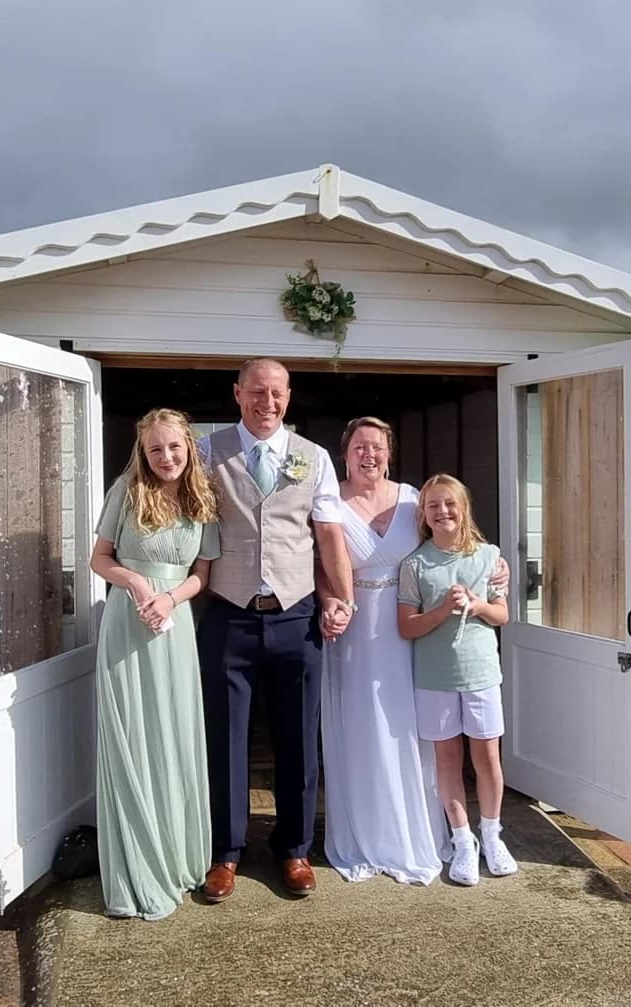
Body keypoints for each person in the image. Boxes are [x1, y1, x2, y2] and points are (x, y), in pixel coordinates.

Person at [197, 358, 355, 903]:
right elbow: (178, 521)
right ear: (238, 393)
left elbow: (329, 535)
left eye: (278, 393)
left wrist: (343, 598)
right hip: (228, 612)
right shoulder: (205, 450)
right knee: (227, 737)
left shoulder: (313, 457)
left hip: (296, 613)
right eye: (258, 391)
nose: (268, 402)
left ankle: (293, 848)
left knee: (298, 739)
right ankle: (226, 852)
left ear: (289, 397)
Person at [90, 407, 220, 920]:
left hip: (173, 627)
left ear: (188, 448)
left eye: (174, 447)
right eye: (155, 449)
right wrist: (139, 584)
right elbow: (99, 559)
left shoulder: (201, 498)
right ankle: (137, 866)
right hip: (127, 624)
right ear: (143, 453)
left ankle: (179, 856)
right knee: (134, 738)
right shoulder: (126, 492)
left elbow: (201, 574)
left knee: (172, 734)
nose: (166, 457)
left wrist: (171, 599)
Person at [318, 417, 448, 884]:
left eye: (377, 447)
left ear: (389, 453)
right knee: (360, 726)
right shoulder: (328, 497)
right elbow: (315, 562)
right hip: (353, 630)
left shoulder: (414, 499)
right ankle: (365, 833)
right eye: (359, 446)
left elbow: (451, 543)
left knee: (408, 725)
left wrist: (495, 566)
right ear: (345, 452)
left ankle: (414, 832)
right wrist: (330, 601)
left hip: (407, 624)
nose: (368, 454)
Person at [397, 473, 519, 886]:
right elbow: (407, 628)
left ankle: (492, 834)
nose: (442, 511)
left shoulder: (489, 556)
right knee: (447, 759)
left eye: (450, 504)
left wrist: (480, 603)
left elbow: (502, 616)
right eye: (433, 506)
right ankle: (462, 841)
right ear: (424, 515)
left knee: (487, 758)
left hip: (481, 673)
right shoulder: (415, 564)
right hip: (434, 677)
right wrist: (443, 609)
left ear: (463, 508)